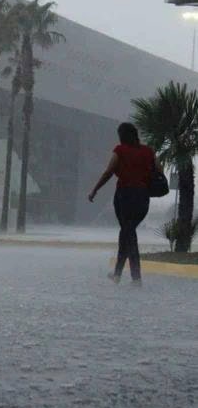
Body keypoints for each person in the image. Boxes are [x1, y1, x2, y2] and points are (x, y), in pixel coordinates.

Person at [88, 122, 160, 286]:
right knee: (127, 232)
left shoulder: (120, 150)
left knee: (129, 234)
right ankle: (118, 274)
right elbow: (159, 171)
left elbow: (109, 171)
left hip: (125, 196)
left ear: (122, 135)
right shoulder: (148, 152)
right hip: (142, 198)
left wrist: (95, 190)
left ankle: (136, 278)